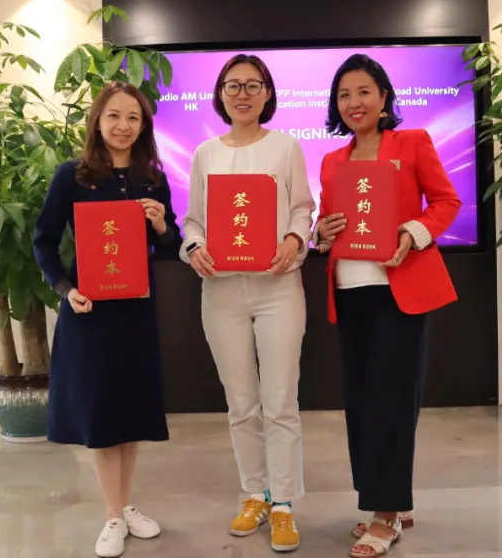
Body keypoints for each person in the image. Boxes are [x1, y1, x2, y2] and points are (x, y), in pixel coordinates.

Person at [314, 54, 461, 558]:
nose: (353, 103)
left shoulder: (412, 143)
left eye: (363, 92)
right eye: (344, 95)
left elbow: (446, 202)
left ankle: (386, 513)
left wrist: (413, 231)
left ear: (383, 97)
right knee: (360, 403)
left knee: (392, 403)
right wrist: (320, 231)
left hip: (400, 291)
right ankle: (385, 501)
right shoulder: (332, 160)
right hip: (350, 292)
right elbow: (328, 222)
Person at [33, 81, 182, 558]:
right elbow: (44, 242)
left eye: (134, 118)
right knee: (100, 414)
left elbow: (170, 245)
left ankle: (125, 503)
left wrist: (161, 224)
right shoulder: (71, 176)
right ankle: (112, 516)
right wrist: (65, 289)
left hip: (135, 311)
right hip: (89, 312)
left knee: (131, 411)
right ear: (98, 121)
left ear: (144, 126)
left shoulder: (152, 178)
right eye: (114, 116)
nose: (124, 126)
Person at [179, 54, 315, 553]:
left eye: (252, 85)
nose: (241, 93)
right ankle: (253, 493)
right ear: (219, 95)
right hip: (221, 291)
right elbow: (192, 220)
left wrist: (294, 240)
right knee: (241, 402)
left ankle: (283, 503)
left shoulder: (286, 148)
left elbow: (303, 208)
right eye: (232, 85)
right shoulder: (205, 154)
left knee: (280, 401)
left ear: (267, 93)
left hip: (278, 287)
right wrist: (194, 247)